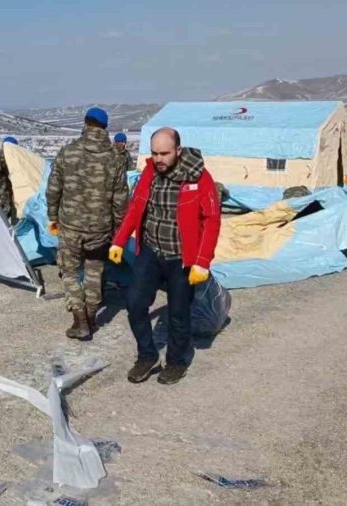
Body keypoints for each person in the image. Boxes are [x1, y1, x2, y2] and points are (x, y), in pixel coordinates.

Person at [109, 127, 221, 385]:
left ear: (178, 151)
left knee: (178, 313)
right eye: (154, 153)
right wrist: (119, 241)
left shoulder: (199, 178)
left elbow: (212, 221)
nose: (158, 159)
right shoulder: (150, 172)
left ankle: (177, 361)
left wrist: (202, 262)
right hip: (150, 251)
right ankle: (147, 356)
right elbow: (135, 207)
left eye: (164, 153)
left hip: (182, 258)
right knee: (135, 303)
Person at [47, 107, 129, 341]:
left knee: (70, 272)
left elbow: (54, 189)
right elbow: (121, 198)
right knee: (94, 271)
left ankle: (79, 320)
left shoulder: (68, 152)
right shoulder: (115, 158)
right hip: (100, 228)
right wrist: (119, 229)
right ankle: (92, 318)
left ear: (85, 123)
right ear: (104, 127)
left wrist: (53, 216)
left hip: (70, 226)